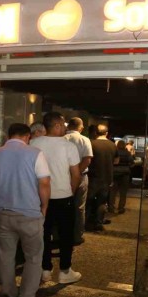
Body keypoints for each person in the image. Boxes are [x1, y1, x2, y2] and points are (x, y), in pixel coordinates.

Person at [0, 123, 51, 297]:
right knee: (33, 257)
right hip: (29, 213)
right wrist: (44, 206)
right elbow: (44, 183)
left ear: (8, 135)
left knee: (5, 256)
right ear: (27, 137)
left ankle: (9, 292)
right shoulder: (35, 153)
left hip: (3, 214)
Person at [31, 112, 82, 284]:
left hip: (40, 196)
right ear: (57, 125)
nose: (65, 128)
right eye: (63, 124)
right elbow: (76, 174)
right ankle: (65, 270)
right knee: (66, 234)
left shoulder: (34, 143)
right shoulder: (68, 146)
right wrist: (71, 191)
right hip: (63, 196)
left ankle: (45, 269)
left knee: (43, 234)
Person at [64, 117, 93, 245]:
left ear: (68, 125)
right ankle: (77, 236)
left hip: (63, 176)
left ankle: (60, 235)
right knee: (79, 207)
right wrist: (77, 172)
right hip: (81, 176)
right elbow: (87, 159)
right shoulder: (84, 139)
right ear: (80, 127)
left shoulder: (62, 138)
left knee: (62, 206)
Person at [85, 124, 117, 231]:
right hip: (107, 178)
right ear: (106, 133)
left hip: (93, 177)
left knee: (88, 201)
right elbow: (116, 161)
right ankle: (98, 222)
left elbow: (87, 159)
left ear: (96, 132)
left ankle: (86, 222)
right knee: (102, 202)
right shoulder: (113, 145)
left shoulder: (91, 143)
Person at [109, 140, 133, 214]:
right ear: (124, 145)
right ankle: (121, 208)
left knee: (113, 191)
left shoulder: (114, 152)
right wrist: (128, 167)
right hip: (125, 174)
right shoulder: (127, 153)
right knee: (123, 192)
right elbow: (132, 163)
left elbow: (110, 162)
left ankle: (111, 207)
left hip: (114, 173)